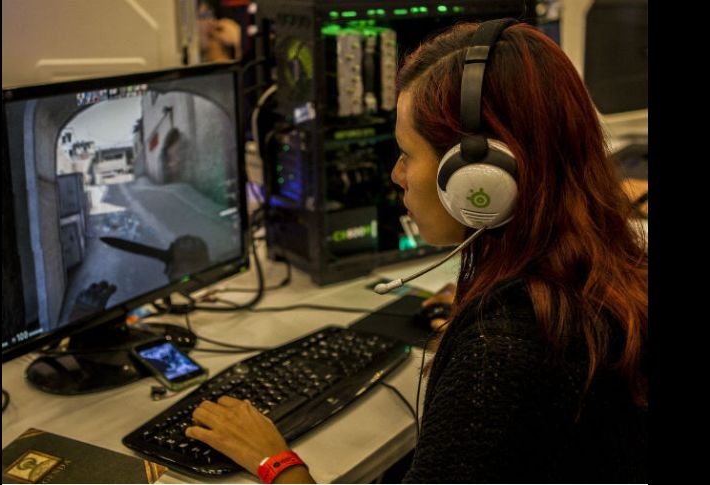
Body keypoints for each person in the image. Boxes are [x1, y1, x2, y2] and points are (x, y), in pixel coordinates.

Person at [183, 19, 648, 483]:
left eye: (407, 153)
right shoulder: (600, 275)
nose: (396, 174)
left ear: (477, 177)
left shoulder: (502, 349)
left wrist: (275, 461)